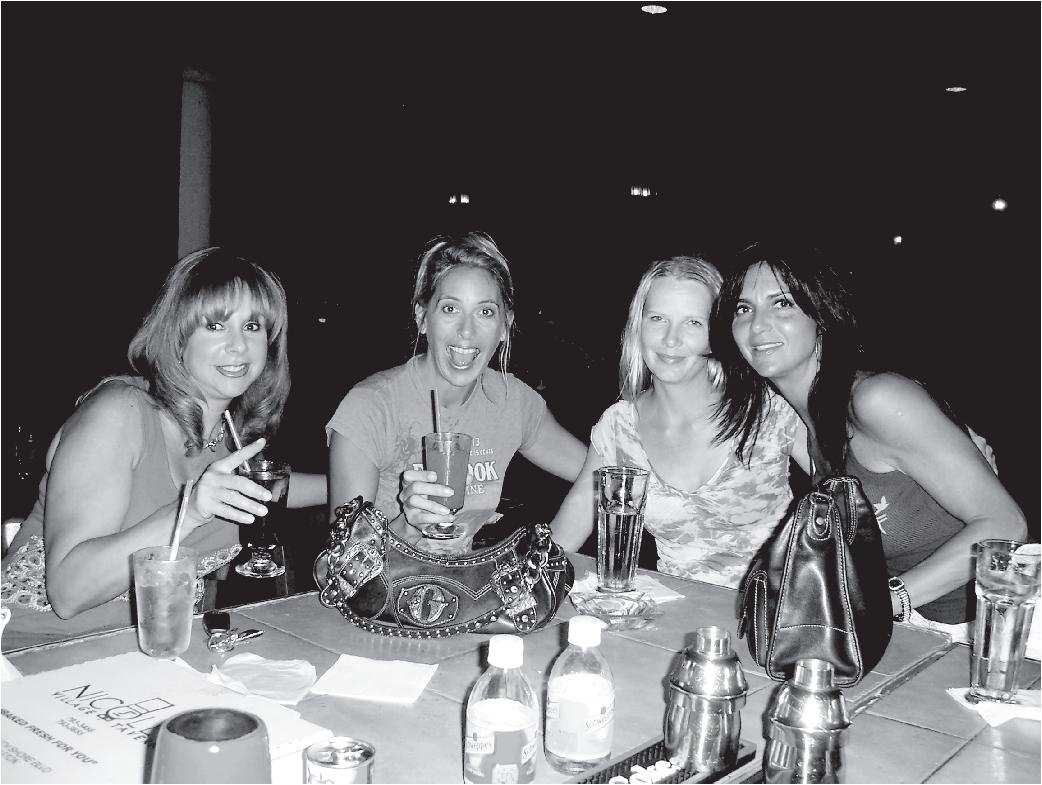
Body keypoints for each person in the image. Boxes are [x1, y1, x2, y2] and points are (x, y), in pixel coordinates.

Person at [1, 248, 326, 649]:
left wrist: (366, 481)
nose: (239, 346)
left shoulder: (227, 442)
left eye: (253, 326)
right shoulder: (120, 412)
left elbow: (274, 488)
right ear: (177, 337)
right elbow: (68, 593)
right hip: (32, 652)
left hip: (142, 656)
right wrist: (189, 512)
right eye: (215, 325)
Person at [712, 241, 1027, 638]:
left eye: (782, 303)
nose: (758, 325)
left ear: (820, 314)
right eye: (743, 309)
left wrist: (885, 604)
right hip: (926, 630)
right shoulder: (802, 423)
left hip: (1009, 623)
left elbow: (1006, 525)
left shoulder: (876, 399)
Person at [550, 256, 806, 588]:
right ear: (638, 326)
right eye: (658, 319)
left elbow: (849, 502)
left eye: (693, 323)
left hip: (779, 609)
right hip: (677, 613)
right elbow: (558, 546)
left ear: (718, 332)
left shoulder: (767, 410)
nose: (671, 340)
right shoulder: (618, 428)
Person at [326, 231, 586, 550]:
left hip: (466, 580)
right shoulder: (371, 407)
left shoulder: (512, 400)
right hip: (385, 581)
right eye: (450, 309)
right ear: (422, 318)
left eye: (485, 312)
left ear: (505, 326)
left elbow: (601, 474)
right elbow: (339, 562)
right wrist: (407, 527)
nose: (466, 330)